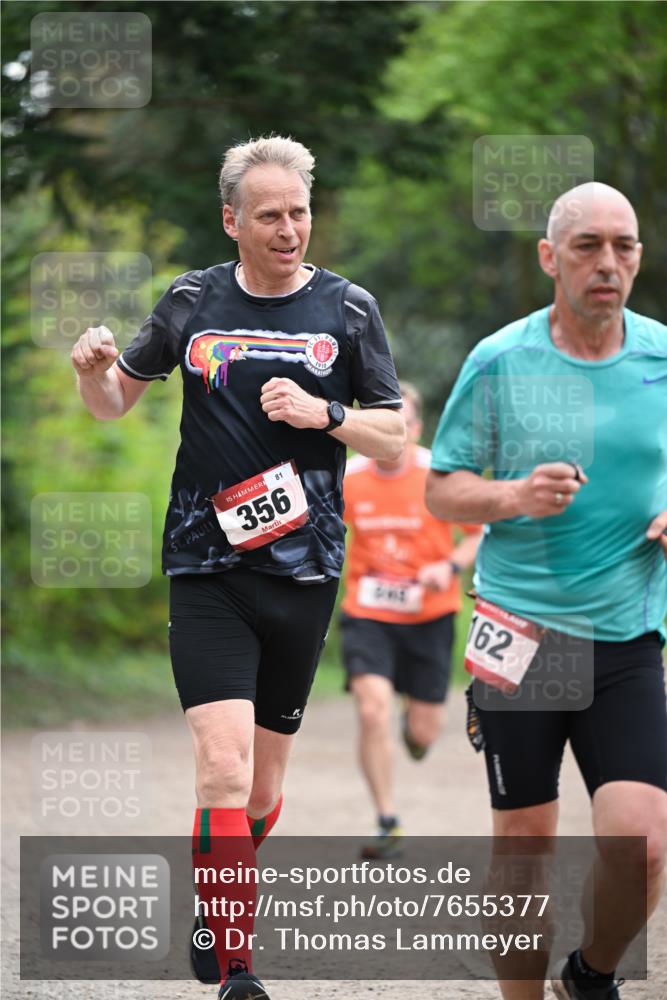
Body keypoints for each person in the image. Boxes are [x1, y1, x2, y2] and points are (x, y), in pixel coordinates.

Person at [71, 135, 405, 1000]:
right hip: (205, 564)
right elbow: (113, 406)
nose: (288, 228)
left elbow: (393, 436)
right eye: (269, 215)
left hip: (303, 572)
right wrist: (92, 373)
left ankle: (214, 893)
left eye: (297, 212)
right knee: (219, 770)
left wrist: (323, 412)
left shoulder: (349, 310)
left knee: (259, 789)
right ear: (233, 221)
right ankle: (237, 969)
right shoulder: (191, 300)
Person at [425, 182, 667, 1000]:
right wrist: (513, 496)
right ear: (548, 257)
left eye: (623, 246)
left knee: (642, 843)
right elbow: (441, 490)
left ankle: (590, 974)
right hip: (519, 634)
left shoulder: (661, 359)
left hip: (626, 637)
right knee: (525, 847)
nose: (607, 263)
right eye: (586, 246)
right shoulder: (500, 361)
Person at [340, 381, 481, 859]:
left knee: (423, 732)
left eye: (401, 422)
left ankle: (413, 728)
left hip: (430, 614)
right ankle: (387, 819)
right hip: (368, 611)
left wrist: (452, 566)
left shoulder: (438, 474)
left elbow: (476, 536)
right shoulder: (349, 476)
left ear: (416, 428)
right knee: (371, 709)